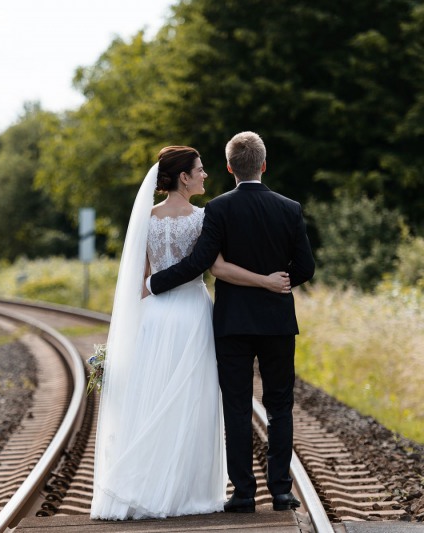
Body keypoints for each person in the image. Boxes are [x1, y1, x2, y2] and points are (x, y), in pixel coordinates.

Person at [90, 145, 291, 520]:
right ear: (184, 177)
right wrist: (266, 281)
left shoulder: (145, 218)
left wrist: (149, 295)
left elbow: (142, 280)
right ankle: (185, 492)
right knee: (192, 403)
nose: (205, 175)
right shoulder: (203, 217)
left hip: (154, 316)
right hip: (193, 314)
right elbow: (216, 268)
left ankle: (145, 486)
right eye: (199, 170)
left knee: (153, 398)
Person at [147, 132, 315, 513]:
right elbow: (306, 266)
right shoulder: (290, 208)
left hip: (233, 323)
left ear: (229, 167)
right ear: (264, 165)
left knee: (236, 406)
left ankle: (243, 494)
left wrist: (154, 283)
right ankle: (281, 492)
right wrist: (281, 282)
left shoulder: (218, 209)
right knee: (280, 406)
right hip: (277, 323)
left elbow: (202, 262)